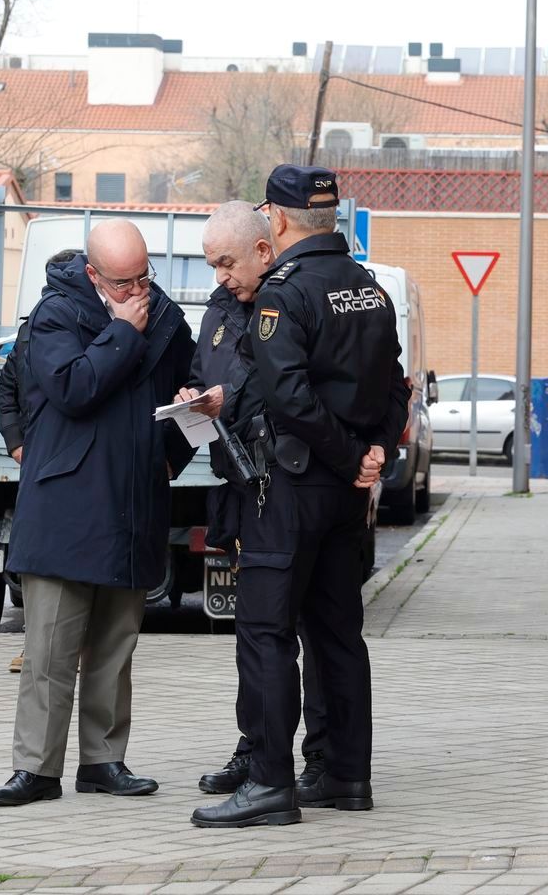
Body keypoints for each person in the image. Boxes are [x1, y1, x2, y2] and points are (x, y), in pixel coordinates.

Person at [192, 166, 408, 829]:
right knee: (339, 633)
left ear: (277, 223)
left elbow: (288, 398)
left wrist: (349, 460)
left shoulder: (283, 296)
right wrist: (375, 454)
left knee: (264, 635)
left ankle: (268, 784)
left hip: (292, 488)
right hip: (348, 498)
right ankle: (345, 776)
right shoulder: (368, 288)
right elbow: (394, 384)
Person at [0, 219, 197, 807]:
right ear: (93, 274)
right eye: (123, 282)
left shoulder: (170, 320)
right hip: (66, 506)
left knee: (114, 645)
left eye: (143, 277)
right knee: (49, 648)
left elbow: (188, 394)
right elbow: (75, 388)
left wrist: (168, 457)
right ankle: (36, 768)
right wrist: (123, 334)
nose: (137, 291)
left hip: (133, 502)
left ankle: (104, 760)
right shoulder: (56, 316)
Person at [172, 202, 329, 798]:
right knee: (255, 632)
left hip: (284, 481)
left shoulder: (287, 302)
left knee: (299, 629)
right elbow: (203, 364)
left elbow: (282, 386)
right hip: (238, 482)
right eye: (213, 265)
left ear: (263, 250)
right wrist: (193, 393)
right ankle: (255, 747)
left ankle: (310, 759)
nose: (221, 276)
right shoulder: (219, 307)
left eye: (227, 263)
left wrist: (222, 401)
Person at [0, 248, 82, 676]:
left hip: (76, 464)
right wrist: (17, 445)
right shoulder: (33, 331)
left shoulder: (85, 326)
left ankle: (74, 647)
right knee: (34, 559)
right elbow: (7, 391)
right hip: (38, 464)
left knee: (72, 556)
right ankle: (36, 645)